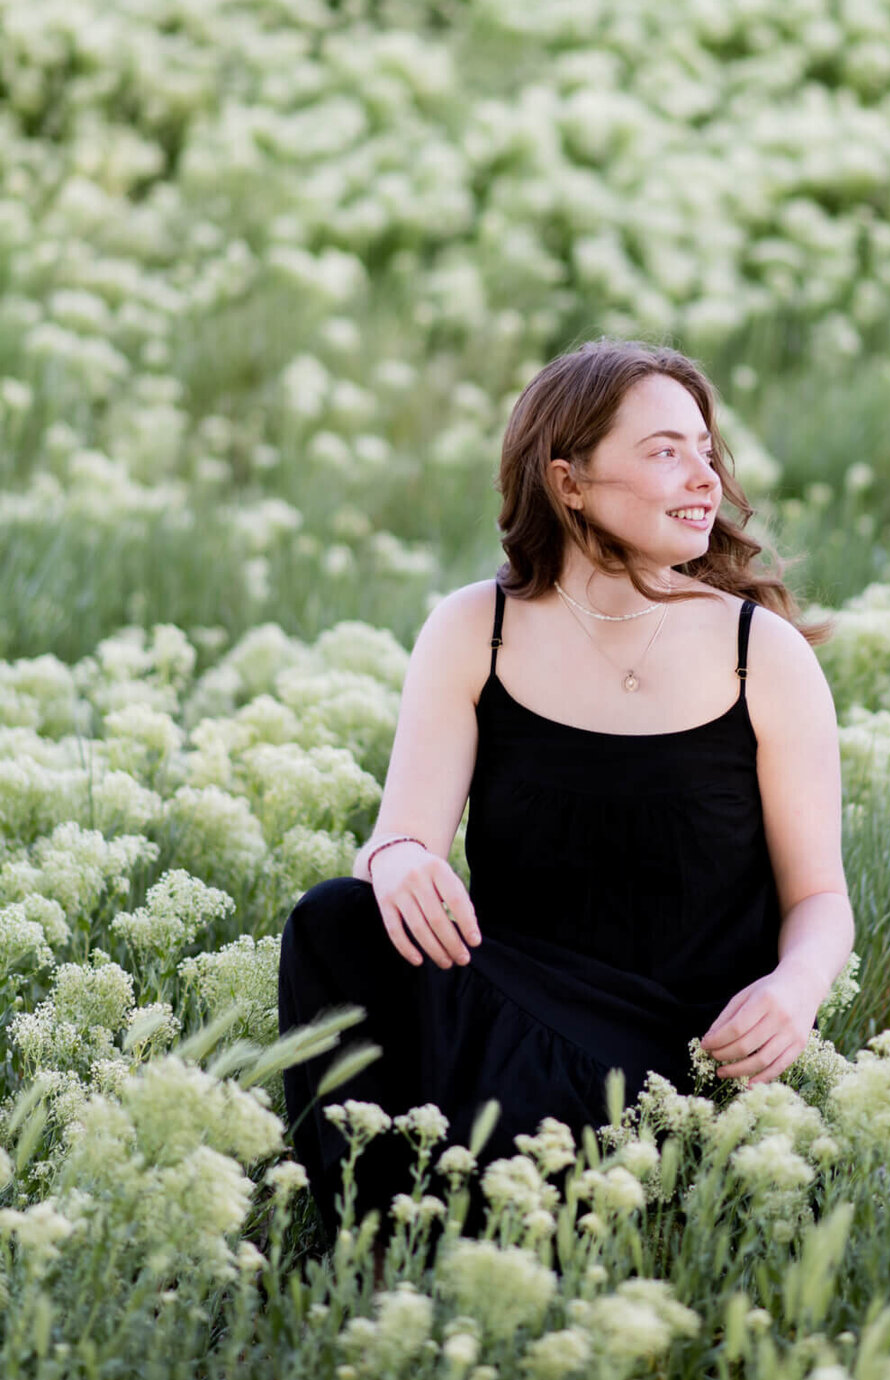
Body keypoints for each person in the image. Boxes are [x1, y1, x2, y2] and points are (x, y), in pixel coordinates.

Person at [278, 338, 853, 1244]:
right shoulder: (478, 630)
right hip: (521, 1008)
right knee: (334, 919)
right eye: (665, 451)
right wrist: (394, 860)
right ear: (569, 481)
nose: (704, 475)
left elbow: (820, 896)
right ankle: (375, 1241)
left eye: (706, 450)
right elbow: (401, 842)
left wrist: (796, 988)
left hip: (687, 1047)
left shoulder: (758, 652)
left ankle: (508, 1198)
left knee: (543, 1120)